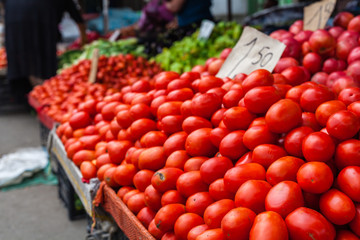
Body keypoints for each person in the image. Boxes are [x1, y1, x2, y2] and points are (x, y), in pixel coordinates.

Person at [2, 0, 87, 104]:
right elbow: (77, 16)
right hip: (39, 19)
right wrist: (84, 40)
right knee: (40, 58)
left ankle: (31, 95)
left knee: (22, 54)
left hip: (14, 17)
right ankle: (42, 95)